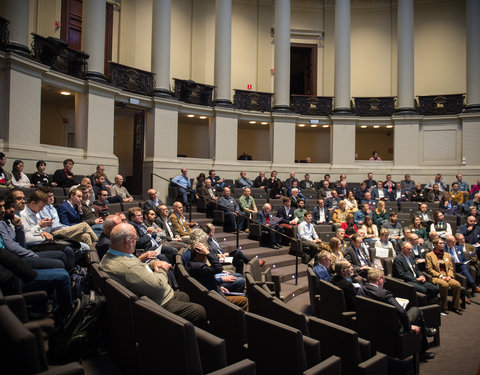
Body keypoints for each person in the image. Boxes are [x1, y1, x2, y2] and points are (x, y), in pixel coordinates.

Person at [99, 223, 206, 326]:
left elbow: (135, 262)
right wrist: (162, 268)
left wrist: (154, 263)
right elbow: (158, 286)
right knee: (199, 311)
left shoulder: (109, 256)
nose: (136, 242)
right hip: (157, 305)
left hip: (150, 295)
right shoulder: (129, 268)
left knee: (184, 296)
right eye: (135, 239)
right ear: (128, 242)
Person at [357, 268, 436, 360]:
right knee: (416, 310)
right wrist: (409, 327)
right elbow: (401, 312)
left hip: (371, 325)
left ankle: (425, 330)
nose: (384, 282)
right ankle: (423, 344)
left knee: (416, 315)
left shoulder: (360, 291)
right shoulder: (384, 294)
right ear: (379, 279)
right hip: (392, 326)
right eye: (384, 280)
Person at [0, 193, 67, 270]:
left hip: (26, 249)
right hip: (26, 251)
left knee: (65, 253)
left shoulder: (17, 218)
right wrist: (40, 230)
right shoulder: (15, 217)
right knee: (61, 261)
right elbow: (23, 240)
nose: (23, 201)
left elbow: (22, 242)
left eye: (24, 198)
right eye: (19, 198)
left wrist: (45, 227)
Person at [186, 239, 248, 310]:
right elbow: (219, 268)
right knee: (244, 300)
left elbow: (206, 280)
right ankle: (234, 313)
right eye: (203, 254)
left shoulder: (193, 263)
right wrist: (207, 252)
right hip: (215, 299)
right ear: (197, 254)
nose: (205, 256)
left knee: (238, 276)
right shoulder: (200, 267)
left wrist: (218, 285)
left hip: (214, 289)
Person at [425, 238, 462, 315]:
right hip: (436, 277)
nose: (443, 245)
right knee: (445, 285)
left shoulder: (447, 255)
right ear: (435, 245)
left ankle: (456, 306)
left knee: (457, 284)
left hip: (447, 276)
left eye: (443, 243)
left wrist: (449, 276)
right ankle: (444, 306)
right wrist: (441, 276)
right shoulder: (429, 255)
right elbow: (429, 269)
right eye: (440, 243)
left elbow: (451, 268)